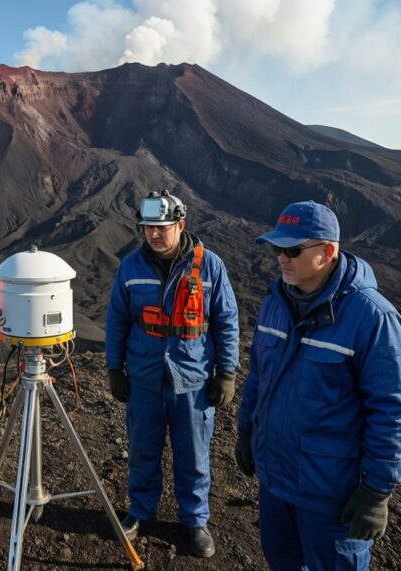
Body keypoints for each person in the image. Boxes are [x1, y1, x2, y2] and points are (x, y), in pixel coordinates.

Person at [234, 200, 401, 570]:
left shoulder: (372, 318)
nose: (281, 258)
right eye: (277, 249)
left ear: (328, 252)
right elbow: (258, 376)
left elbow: (393, 411)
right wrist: (246, 429)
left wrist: (376, 490)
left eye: (293, 250)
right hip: (275, 481)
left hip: (330, 494)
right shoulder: (275, 304)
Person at [105, 189, 240, 558]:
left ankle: (195, 520)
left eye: (162, 227)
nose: (154, 234)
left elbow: (226, 321)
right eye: (148, 227)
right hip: (144, 375)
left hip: (192, 377)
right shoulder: (130, 267)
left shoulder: (210, 266)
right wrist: (114, 368)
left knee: (193, 454)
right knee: (142, 449)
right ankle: (141, 511)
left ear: (181, 225)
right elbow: (117, 319)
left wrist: (227, 372)